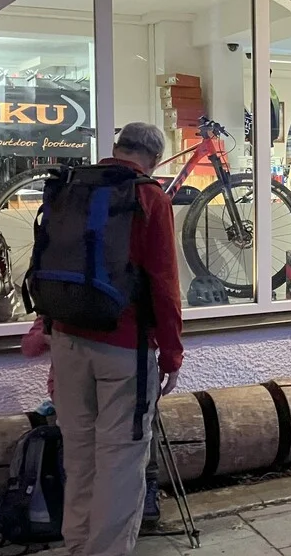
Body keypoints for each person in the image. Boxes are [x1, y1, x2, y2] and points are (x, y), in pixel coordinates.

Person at [49, 122, 184, 556]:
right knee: (120, 463)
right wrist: (172, 355)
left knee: (80, 454)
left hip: (67, 342)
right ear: (155, 157)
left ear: (116, 147)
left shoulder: (73, 186)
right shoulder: (149, 196)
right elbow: (164, 284)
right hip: (124, 350)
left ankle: (77, 547)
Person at [20, 316, 166, 529]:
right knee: (83, 449)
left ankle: (147, 486)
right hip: (74, 389)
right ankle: (91, 508)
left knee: (143, 419)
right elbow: (28, 347)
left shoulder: (121, 305)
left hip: (117, 381)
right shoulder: (58, 307)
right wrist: (51, 337)